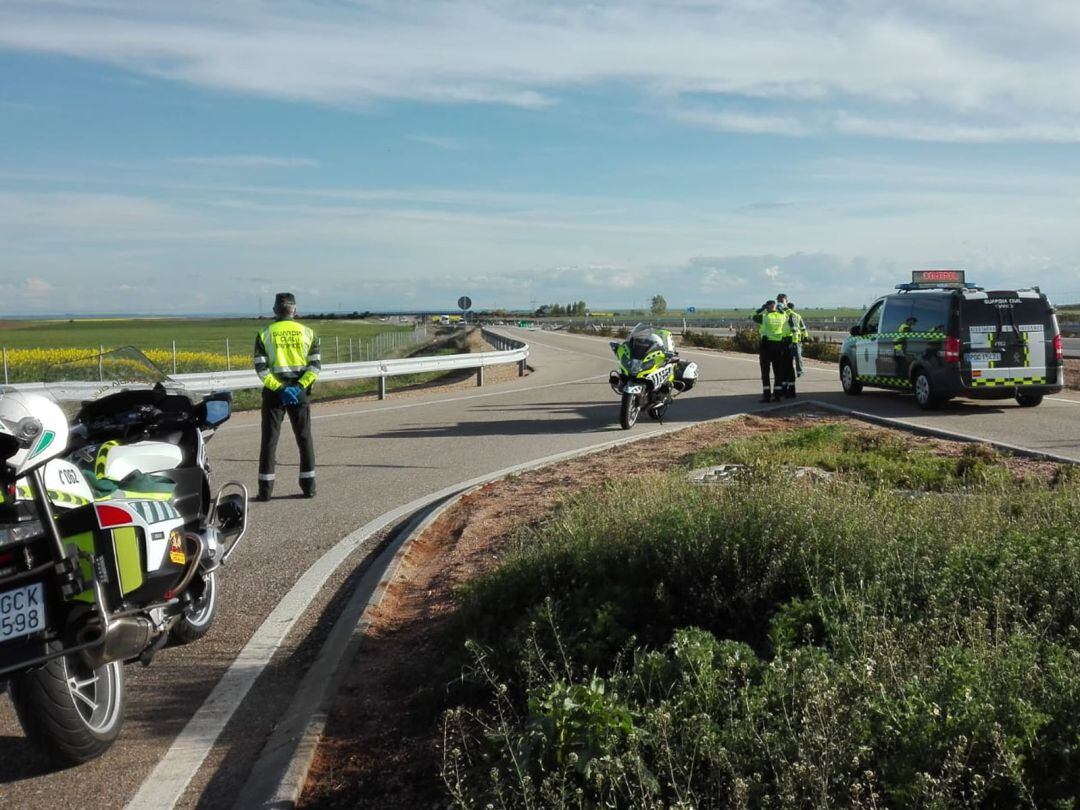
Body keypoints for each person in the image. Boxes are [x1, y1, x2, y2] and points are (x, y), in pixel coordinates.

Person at [253, 292, 321, 500]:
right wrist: (299, 386)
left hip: (274, 395)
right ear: (295, 310)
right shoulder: (308, 333)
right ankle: (309, 487)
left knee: (269, 441)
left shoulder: (265, 333)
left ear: (275, 310)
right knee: (304, 439)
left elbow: (261, 368)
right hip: (299, 393)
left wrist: (279, 388)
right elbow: (315, 366)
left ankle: (265, 491)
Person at [751, 300, 793, 402]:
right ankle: (777, 395)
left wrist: (761, 309)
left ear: (767, 307)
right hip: (779, 346)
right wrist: (782, 310)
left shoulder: (765, 317)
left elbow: (753, 316)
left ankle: (766, 395)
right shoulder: (782, 316)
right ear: (775, 307)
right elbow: (789, 319)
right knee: (778, 371)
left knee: (765, 371)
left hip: (766, 346)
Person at [785, 299, 809, 378]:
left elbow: (802, 327)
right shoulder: (797, 315)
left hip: (790, 338)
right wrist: (805, 336)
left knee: (790, 357)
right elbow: (803, 327)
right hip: (797, 339)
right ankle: (799, 371)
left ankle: (791, 371)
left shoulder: (786, 315)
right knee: (798, 356)